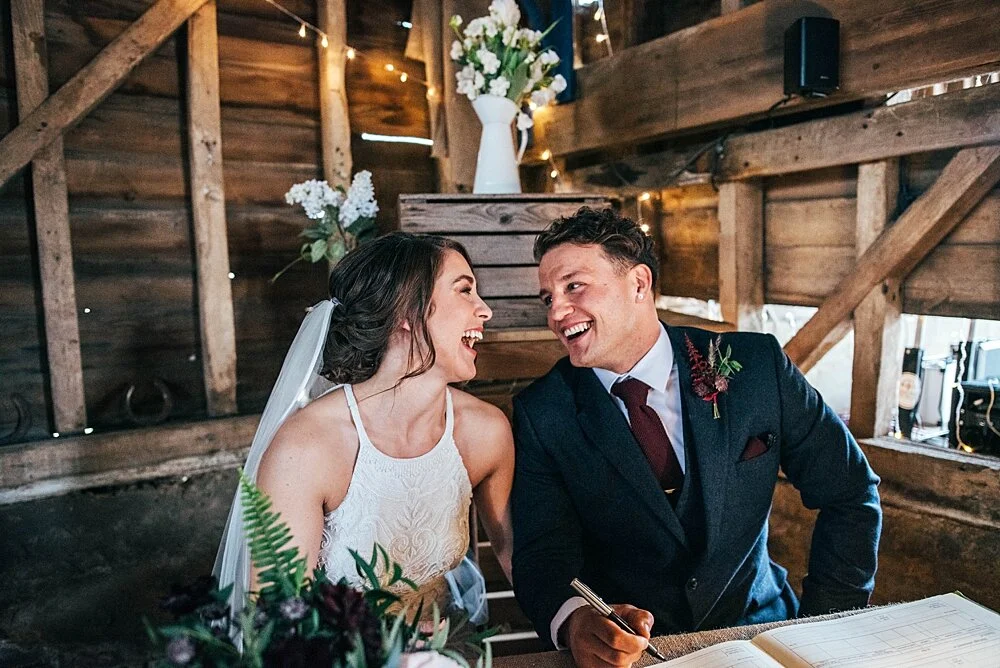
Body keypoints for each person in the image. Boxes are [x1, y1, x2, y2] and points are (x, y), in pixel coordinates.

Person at [510, 207, 882, 667]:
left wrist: (825, 626)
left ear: (639, 284)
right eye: (548, 298)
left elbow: (850, 492)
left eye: (574, 286)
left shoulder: (756, 365)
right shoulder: (543, 412)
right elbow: (542, 552)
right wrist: (575, 620)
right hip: (635, 656)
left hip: (763, 633)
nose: (558, 312)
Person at [215, 232, 514, 620]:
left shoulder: (485, 431)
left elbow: (520, 557)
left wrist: (577, 618)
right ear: (407, 313)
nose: (485, 310)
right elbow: (276, 619)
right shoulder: (306, 448)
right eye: (465, 291)